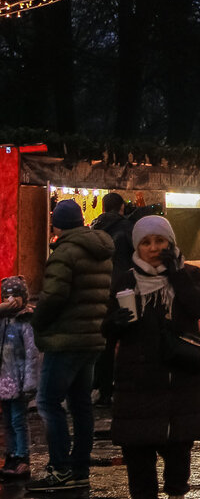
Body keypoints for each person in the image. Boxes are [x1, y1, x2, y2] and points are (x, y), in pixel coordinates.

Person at [104, 216, 200, 499]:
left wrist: (176, 274)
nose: (153, 248)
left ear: (171, 243)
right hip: (136, 386)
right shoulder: (126, 280)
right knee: (140, 476)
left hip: (178, 385)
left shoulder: (189, 275)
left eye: (160, 241)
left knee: (177, 469)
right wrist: (114, 323)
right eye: (146, 242)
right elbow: (106, 328)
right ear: (137, 247)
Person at [28, 199, 114, 492]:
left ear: (57, 224)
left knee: (48, 402)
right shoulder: (100, 252)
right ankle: (79, 469)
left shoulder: (64, 253)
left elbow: (54, 297)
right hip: (91, 338)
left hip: (64, 339)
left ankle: (60, 469)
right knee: (81, 406)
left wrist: (36, 320)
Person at [91, 192, 133, 407]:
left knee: (104, 341)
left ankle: (102, 388)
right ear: (121, 207)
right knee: (128, 338)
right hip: (123, 290)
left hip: (99, 290)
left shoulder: (93, 229)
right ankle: (124, 387)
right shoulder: (127, 228)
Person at [0, 276, 39, 480]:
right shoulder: (3, 321)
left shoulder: (25, 322)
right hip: (4, 382)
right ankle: (11, 455)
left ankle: (22, 456)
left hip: (19, 380)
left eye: (16, 295)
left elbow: (32, 354)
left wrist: (30, 382)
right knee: (7, 421)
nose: (11, 300)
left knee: (18, 420)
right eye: (7, 296)